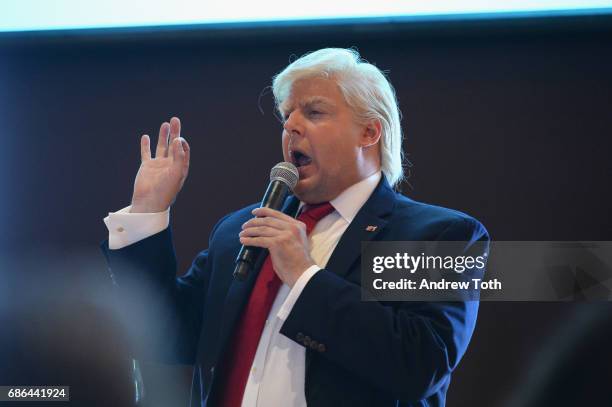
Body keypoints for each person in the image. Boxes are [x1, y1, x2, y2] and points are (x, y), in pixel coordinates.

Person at [101, 48, 489, 407]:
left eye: (314, 112)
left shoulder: (432, 236)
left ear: (369, 132)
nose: (291, 127)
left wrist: (304, 277)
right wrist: (147, 214)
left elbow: (419, 365)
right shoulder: (241, 229)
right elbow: (165, 334)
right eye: (287, 115)